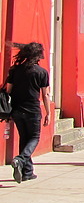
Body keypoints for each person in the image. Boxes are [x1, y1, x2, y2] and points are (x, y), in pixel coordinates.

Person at [2, 42, 50, 183]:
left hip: (17, 110)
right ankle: (20, 160)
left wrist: (7, 112)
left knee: (24, 139)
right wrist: (48, 113)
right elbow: (45, 95)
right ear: (38, 56)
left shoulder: (15, 70)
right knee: (34, 138)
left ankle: (27, 172)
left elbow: (8, 91)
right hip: (33, 111)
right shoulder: (41, 72)